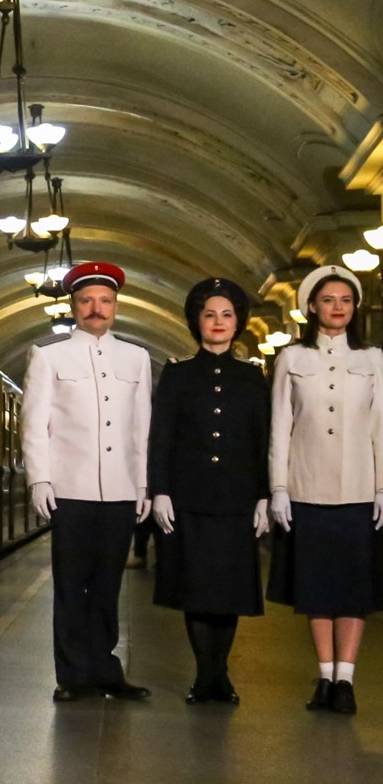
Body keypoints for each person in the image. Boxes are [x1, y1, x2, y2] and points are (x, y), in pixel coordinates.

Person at [22, 261, 153, 702]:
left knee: (108, 584)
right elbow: (35, 423)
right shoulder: (49, 355)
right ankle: (73, 675)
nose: (96, 309)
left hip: (120, 489)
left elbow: (142, 427)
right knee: (70, 584)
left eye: (105, 301)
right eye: (87, 301)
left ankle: (105, 668)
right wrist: (40, 479)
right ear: (74, 306)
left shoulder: (136, 358)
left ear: (115, 306)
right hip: (70, 489)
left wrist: (142, 486)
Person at [268, 264, 383, 715]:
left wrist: (381, 486)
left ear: (354, 308)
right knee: (316, 588)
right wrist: (279, 486)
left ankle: (346, 680)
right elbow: (282, 426)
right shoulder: (292, 360)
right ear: (311, 306)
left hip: (358, 489)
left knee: (354, 588)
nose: (338, 308)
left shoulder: (373, 359)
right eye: (329, 300)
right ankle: (324, 673)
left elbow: (380, 428)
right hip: (307, 486)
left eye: (346, 301)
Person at [148, 278, 269, 705]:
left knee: (229, 590)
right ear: (197, 322)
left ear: (238, 324)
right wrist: (159, 490)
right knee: (196, 589)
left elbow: (263, 439)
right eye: (209, 314)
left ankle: (221, 674)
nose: (218, 322)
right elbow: (160, 436)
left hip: (236, 500)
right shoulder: (178, 374)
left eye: (226, 315)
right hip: (189, 499)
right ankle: (205, 676)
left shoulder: (253, 377)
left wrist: (265, 495)